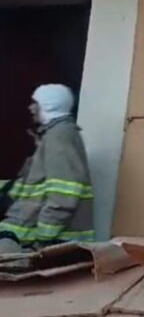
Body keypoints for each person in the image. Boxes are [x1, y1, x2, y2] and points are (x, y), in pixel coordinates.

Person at [0, 84, 94, 254]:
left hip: (42, 241)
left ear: (48, 105)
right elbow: (31, 185)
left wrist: (43, 238)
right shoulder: (53, 135)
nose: (30, 108)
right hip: (25, 234)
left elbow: (64, 197)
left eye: (35, 103)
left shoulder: (60, 136)